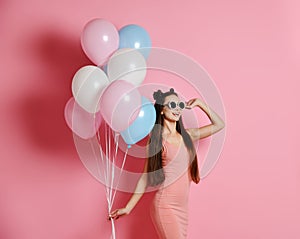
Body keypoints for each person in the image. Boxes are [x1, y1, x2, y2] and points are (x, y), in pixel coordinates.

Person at [109, 88, 225, 238]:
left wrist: (201, 104)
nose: (177, 109)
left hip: (182, 208)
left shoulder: (188, 135)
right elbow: (145, 177)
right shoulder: (157, 141)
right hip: (165, 205)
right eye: (172, 105)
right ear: (162, 110)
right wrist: (128, 207)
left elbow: (219, 124)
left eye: (180, 105)